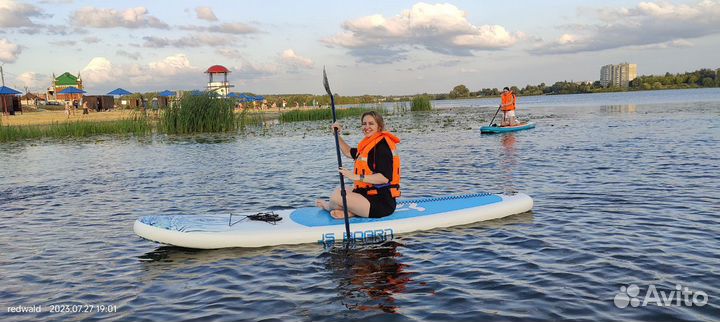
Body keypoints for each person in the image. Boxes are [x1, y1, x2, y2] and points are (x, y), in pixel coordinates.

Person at [316, 111, 401, 219]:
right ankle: (352, 212)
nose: (367, 127)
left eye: (371, 124)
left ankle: (329, 207)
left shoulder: (382, 147)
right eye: (364, 124)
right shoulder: (369, 144)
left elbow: (384, 178)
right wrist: (336, 135)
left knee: (336, 197)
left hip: (381, 203)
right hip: (367, 194)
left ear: (379, 126)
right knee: (341, 190)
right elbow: (348, 152)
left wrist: (355, 176)